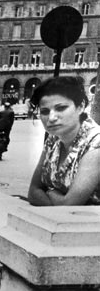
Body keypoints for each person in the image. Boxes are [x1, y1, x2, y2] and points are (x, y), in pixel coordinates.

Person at [27, 75, 100, 207]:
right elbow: (33, 192)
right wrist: (60, 201)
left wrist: (50, 193)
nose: (52, 117)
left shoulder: (96, 143)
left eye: (61, 108)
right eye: (44, 111)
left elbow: (70, 205)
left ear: (80, 106)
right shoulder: (53, 139)